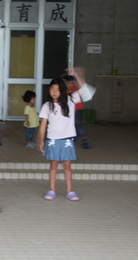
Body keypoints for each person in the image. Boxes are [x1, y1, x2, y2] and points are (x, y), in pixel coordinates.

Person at [38, 68, 91, 202]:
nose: (54, 92)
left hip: (67, 139)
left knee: (67, 165)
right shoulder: (47, 105)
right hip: (52, 140)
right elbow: (43, 124)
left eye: (57, 89)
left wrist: (76, 75)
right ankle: (52, 190)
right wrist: (41, 140)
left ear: (62, 90)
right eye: (52, 89)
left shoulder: (71, 100)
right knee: (53, 165)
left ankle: (69, 191)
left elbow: (84, 91)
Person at [64, 75, 90, 149]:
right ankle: (70, 138)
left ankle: (84, 140)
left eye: (72, 83)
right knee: (68, 125)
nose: (70, 85)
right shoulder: (64, 92)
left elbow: (83, 86)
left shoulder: (75, 90)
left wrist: (76, 75)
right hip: (68, 112)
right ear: (65, 84)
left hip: (76, 111)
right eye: (68, 83)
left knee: (79, 125)